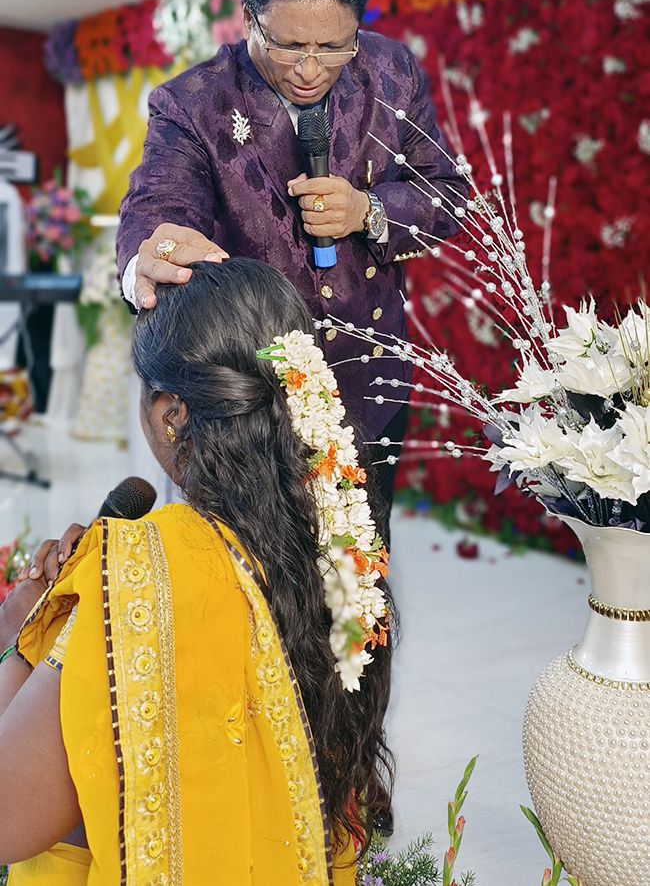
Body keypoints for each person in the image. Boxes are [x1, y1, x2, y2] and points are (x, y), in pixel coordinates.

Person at [0, 259, 393, 885]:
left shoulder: (147, 569)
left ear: (169, 411)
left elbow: (8, 819)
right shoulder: (335, 545)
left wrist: (22, 637)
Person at [116, 0, 468, 535]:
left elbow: (447, 196)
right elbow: (158, 208)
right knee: (256, 590)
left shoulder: (392, 73)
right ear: (249, 19)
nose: (311, 69)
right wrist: (150, 255)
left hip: (370, 384)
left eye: (334, 47)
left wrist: (368, 211)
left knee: (363, 581)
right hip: (248, 409)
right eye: (288, 46)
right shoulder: (191, 103)